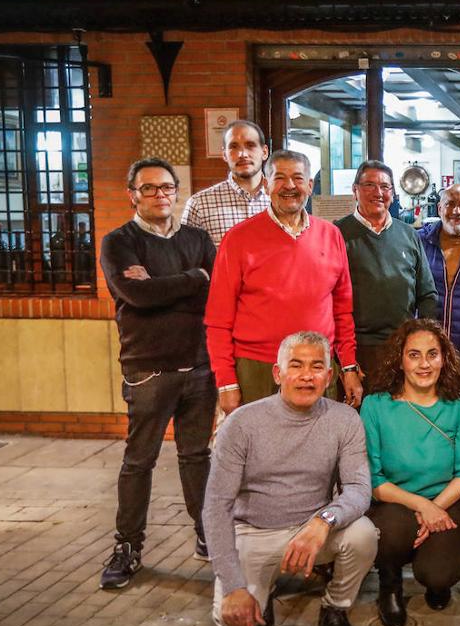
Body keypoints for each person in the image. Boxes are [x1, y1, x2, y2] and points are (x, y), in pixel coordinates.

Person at [203, 331, 378, 626]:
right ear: (277, 372)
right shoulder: (241, 424)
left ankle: (335, 606)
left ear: (329, 376)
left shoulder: (345, 419)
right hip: (254, 533)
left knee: (364, 534)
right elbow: (216, 507)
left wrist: (324, 520)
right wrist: (232, 585)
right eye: (296, 365)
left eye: (317, 367)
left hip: (313, 530)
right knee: (228, 616)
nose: (306, 376)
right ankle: (263, 589)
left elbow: (358, 489)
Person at [98, 157, 217, 589]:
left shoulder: (198, 238)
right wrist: (193, 279)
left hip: (199, 366)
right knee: (139, 461)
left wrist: (166, 285)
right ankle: (128, 547)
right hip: (149, 370)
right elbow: (136, 294)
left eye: (167, 187)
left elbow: (214, 291)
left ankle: (208, 534)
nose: (160, 195)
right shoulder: (118, 243)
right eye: (149, 188)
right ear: (133, 193)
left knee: (197, 457)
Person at [204, 150, 362, 410]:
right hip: (257, 369)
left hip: (318, 366)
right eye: (280, 178)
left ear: (310, 186)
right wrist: (227, 383)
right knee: (260, 449)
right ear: (266, 185)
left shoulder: (331, 235)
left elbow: (342, 312)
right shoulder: (238, 239)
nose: (289, 185)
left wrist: (348, 367)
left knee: (319, 448)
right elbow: (218, 320)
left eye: (298, 178)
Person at [360, 319, 460, 626]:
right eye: (414, 355)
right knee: (387, 533)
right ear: (400, 359)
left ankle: (436, 582)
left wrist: (435, 506)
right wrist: (423, 507)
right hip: (393, 502)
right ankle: (390, 586)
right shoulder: (375, 405)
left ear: (445, 358)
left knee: (439, 572)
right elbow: (374, 479)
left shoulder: (458, 402)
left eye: (432, 354)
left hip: (448, 500)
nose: (424, 364)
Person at [336, 160, 438, 394]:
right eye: (369, 185)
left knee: (400, 420)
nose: (378, 193)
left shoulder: (408, 234)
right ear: (355, 190)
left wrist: (421, 340)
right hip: (358, 350)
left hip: (401, 347)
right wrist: (346, 362)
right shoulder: (338, 234)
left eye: (385, 186)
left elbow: (427, 293)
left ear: (393, 192)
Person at [416, 183, 460, 392]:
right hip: (424, 351)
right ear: (439, 209)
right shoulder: (420, 241)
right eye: (450, 204)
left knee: (456, 414)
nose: (456, 211)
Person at [181, 119, 270, 246]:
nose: (243, 154)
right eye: (234, 147)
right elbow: (186, 256)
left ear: (264, 152)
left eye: (250, 145)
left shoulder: (280, 199)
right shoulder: (199, 204)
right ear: (224, 154)